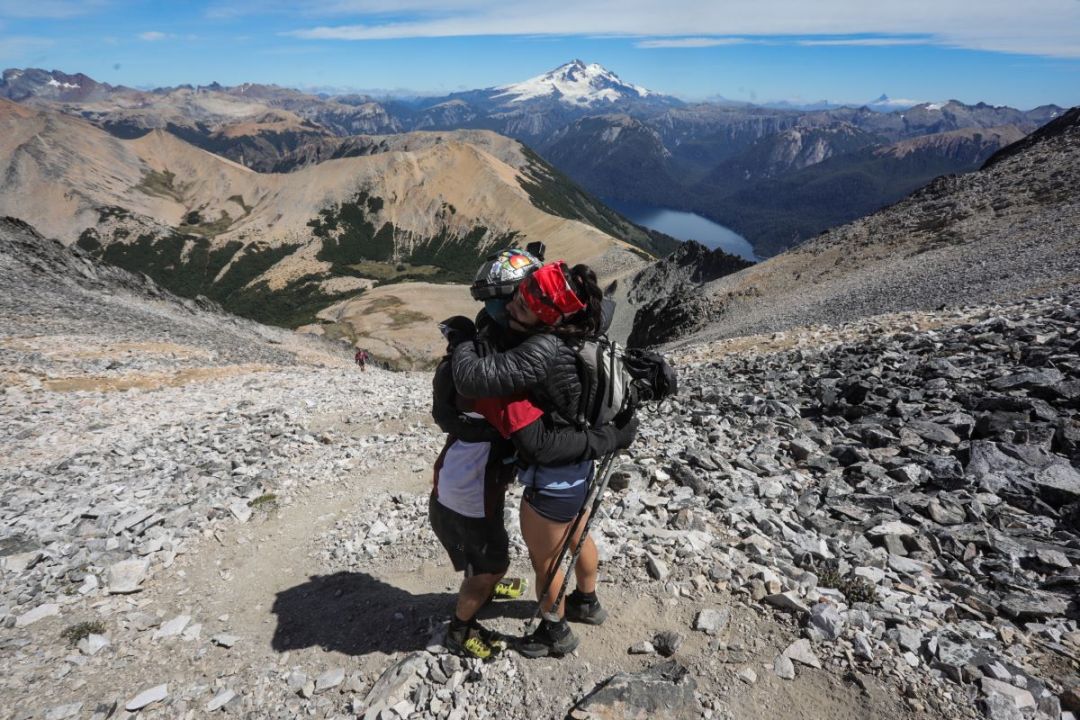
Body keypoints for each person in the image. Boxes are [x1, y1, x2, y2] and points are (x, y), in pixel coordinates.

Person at [431, 250, 637, 660]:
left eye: (522, 304)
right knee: (576, 534)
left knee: (526, 562)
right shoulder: (578, 341)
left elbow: (533, 442)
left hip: (524, 479)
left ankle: (541, 631)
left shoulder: (507, 379)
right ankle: (586, 601)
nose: (510, 308)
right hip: (580, 472)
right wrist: (611, 436)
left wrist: (464, 344)